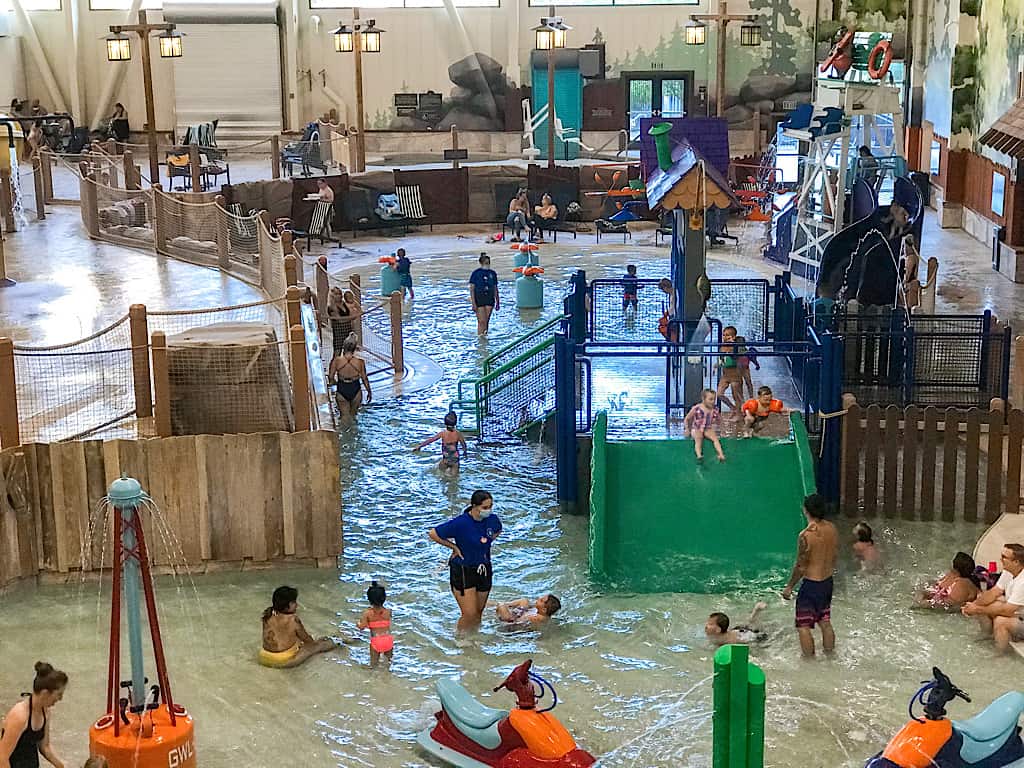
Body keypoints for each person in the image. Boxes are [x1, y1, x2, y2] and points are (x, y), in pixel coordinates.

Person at [428, 490, 502, 633]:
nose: (489, 510)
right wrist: (454, 547)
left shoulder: (492, 520)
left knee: (478, 612)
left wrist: (487, 544)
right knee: (469, 613)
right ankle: (460, 638)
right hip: (463, 569)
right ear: (474, 506)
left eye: (490, 506)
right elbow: (434, 533)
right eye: (485, 507)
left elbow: (498, 530)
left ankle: (475, 637)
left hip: (484, 568)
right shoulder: (461, 523)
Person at [782, 493, 838, 657]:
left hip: (812, 584)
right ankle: (830, 656)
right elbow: (835, 555)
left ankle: (809, 662)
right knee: (824, 621)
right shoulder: (832, 529)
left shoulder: (806, 535)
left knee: (803, 625)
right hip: (827, 581)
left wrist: (789, 586)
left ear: (805, 510)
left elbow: (800, 566)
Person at [0, 661, 68, 768]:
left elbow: (44, 747)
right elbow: (2, 758)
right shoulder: (19, 716)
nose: (60, 699)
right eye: (59, 694)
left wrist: (61, 765)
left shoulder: (45, 712)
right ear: (45, 693)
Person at [962, 543, 1024, 654]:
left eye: (1004, 557)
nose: (1000, 559)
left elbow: (1008, 610)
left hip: (1020, 617)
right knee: (984, 600)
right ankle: (988, 635)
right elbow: (994, 592)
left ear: (1016, 562)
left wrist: (976, 610)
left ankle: (1000, 655)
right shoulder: (1009, 571)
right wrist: (973, 605)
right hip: (1018, 613)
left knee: (1001, 621)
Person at [259, 585, 337, 668]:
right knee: (317, 646)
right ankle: (339, 641)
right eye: (294, 602)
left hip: (264, 657)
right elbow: (307, 640)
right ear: (287, 605)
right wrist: (315, 643)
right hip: (282, 660)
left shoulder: (268, 614)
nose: (297, 605)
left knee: (298, 642)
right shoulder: (293, 619)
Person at [328, 334, 372, 420]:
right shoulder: (360, 362)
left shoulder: (337, 361)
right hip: (356, 389)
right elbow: (364, 379)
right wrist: (369, 392)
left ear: (344, 347)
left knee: (344, 417)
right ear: (355, 348)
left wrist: (334, 383)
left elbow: (330, 377)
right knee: (353, 416)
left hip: (342, 388)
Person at [357, 581, 393, 668]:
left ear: (369, 600)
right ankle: (387, 677)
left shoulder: (367, 613)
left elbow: (362, 627)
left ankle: (373, 677)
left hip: (376, 641)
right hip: (388, 640)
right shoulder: (388, 611)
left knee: (373, 664)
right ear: (384, 598)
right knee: (388, 663)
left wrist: (358, 623)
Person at [684, 388, 726, 463]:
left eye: (714, 399)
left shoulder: (714, 410)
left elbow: (720, 420)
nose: (713, 402)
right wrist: (687, 429)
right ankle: (699, 455)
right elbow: (687, 419)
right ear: (703, 399)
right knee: (698, 438)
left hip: (707, 428)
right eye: (710, 399)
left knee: (715, 439)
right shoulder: (697, 408)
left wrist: (723, 430)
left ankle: (721, 454)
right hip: (697, 428)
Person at [469, 253, 500, 335]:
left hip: (489, 298)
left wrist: (498, 302)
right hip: (479, 298)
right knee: (481, 321)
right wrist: (473, 303)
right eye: (486, 263)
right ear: (481, 263)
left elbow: (495, 288)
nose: (487, 265)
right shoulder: (475, 273)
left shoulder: (492, 273)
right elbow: (472, 289)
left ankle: (485, 336)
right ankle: (480, 336)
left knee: (486, 320)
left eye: (488, 263)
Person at [715, 326, 743, 411]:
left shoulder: (736, 347)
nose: (725, 337)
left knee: (736, 395)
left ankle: (739, 412)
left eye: (727, 335)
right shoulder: (722, 347)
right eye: (723, 335)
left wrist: (733, 345)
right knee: (719, 394)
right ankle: (733, 408)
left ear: (733, 337)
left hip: (735, 375)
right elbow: (722, 360)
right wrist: (717, 365)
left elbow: (738, 356)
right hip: (725, 375)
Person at [495, 594, 562, 628]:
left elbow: (517, 622)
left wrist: (519, 612)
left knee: (501, 605)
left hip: (510, 621)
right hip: (519, 615)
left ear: (544, 610)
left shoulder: (536, 618)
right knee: (524, 601)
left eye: (541, 600)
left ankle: (504, 605)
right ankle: (508, 605)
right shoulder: (542, 613)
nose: (538, 599)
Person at [325, 286, 356, 358]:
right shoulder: (331, 307)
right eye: (337, 294)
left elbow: (353, 311)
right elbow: (340, 320)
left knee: (348, 353)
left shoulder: (344, 303)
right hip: (339, 332)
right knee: (337, 353)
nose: (339, 296)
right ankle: (333, 368)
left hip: (348, 330)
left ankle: (345, 368)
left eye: (340, 293)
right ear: (332, 296)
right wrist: (350, 318)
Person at [734, 335, 759, 401]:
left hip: (745, 368)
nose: (741, 345)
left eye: (742, 343)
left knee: (748, 382)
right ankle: (742, 398)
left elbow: (752, 359)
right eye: (739, 343)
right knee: (740, 383)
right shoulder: (735, 351)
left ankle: (751, 397)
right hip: (738, 369)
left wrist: (757, 364)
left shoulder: (747, 351)